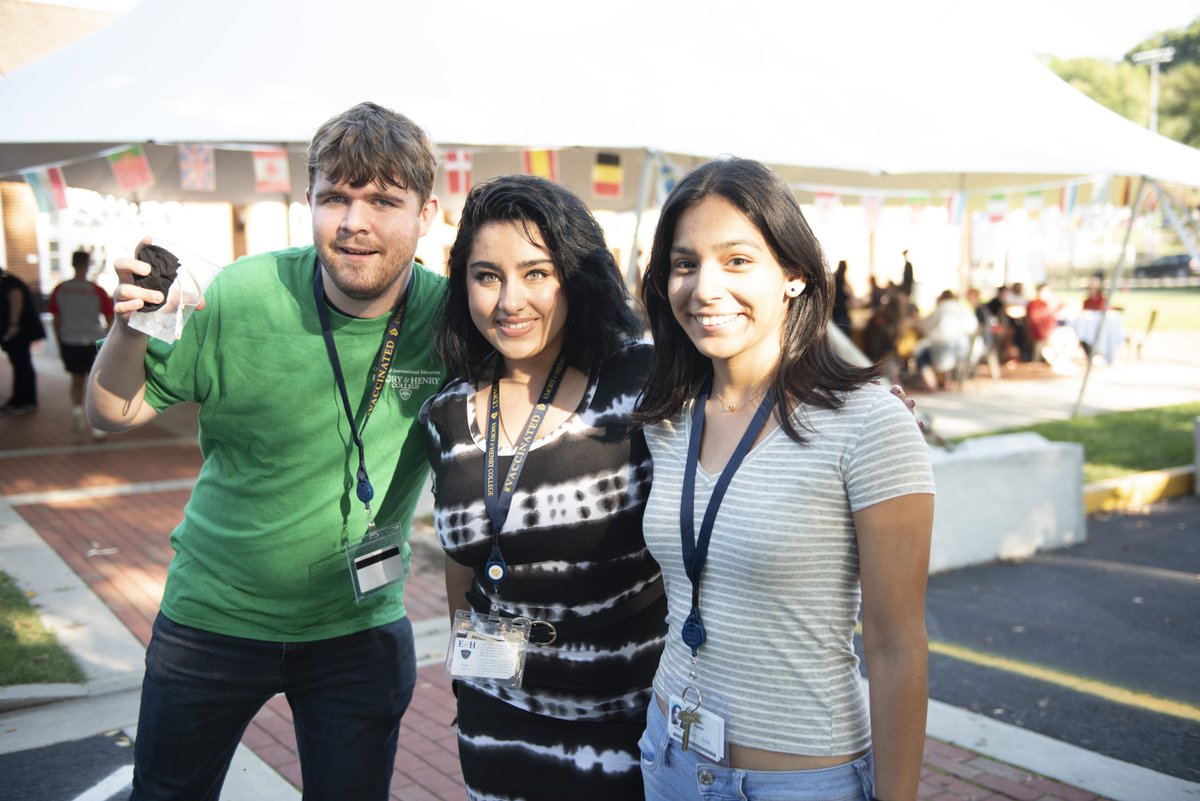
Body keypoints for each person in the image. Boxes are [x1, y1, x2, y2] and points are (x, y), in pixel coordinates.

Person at [86, 102, 444, 801]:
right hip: (211, 619)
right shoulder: (241, 292)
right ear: (307, 200)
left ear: (426, 213)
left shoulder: (452, 317)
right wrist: (131, 326)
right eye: (334, 197)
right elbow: (111, 412)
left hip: (359, 632)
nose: (354, 221)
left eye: (383, 200)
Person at [635, 158, 934, 801]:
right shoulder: (667, 419)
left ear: (794, 274)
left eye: (737, 260)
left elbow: (896, 646)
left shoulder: (869, 423)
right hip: (668, 757)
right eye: (685, 264)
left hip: (798, 781)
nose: (705, 288)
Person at [420, 175, 665, 799]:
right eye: (487, 275)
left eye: (536, 273)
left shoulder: (643, 381)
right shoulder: (446, 414)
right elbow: (460, 563)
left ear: (577, 277)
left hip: (626, 725)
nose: (510, 301)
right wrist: (466, 681)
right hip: (496, 723)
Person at [49, 249, 114, 439]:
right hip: (93, 340)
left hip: (70, 341)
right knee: (96, 385)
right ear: (87, 265)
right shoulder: (96, 290)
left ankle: (77, 414)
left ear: (72, 263)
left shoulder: (60, 289)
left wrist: (60, 342)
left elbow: (56, 320)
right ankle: (97, 426)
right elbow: (110, 318)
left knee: (76, 381)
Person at [0, 264, 46, 414]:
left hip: (19, 332)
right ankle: (28, 399)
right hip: (20, 330)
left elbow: (16, 299)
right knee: (24, 364)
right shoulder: (10, 282)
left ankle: (19, 401)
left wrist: (13, 325)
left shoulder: (10, 284)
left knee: (21, 365)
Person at [913, 289, 979, 391]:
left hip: (943, 348)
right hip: (962, 350)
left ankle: (931, 383)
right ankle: (944, 381)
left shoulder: (941, 308)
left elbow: (925, 326)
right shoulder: (962, 308)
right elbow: (974, 326)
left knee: (920, 353)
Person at [831, 259, 853, 338]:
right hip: (841, 313)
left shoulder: (833, 278)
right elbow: (850, 298)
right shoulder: (843, 282)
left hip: (833, 313)